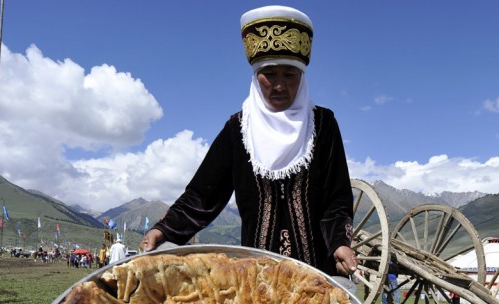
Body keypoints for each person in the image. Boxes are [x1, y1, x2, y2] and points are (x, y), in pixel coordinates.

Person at [140, 6, 357, 278]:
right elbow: (203, 194)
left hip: (316, 274)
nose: (279, 85)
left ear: (302, 77)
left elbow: (337, 198)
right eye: (269, 74)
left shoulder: (323, 125)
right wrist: (164, 229)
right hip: (256, 276)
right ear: (256, 77)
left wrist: (339, 242)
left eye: (289, 74)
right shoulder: (238, 130)